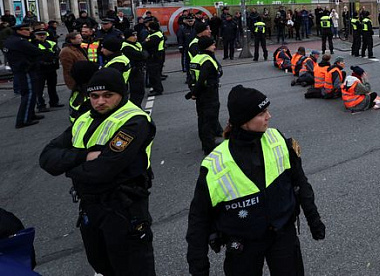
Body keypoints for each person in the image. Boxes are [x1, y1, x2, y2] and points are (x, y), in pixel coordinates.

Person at [186, 85, 325, 276]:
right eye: (261, 113)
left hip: (282, 232)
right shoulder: (216, 163)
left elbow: (299, 181)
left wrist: (313, 218)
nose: (269, 116)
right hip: (244, 244)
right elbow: (199, 217)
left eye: (267, 110)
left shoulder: (276, 139)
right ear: (244, 121)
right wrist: (198, 264)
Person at [39, 68, 157, 276]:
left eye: (107, 95)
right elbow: (46, 158)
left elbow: (102, 170)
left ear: (122, 94)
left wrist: (67, 166)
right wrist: (83, 156)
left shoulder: (134, 120)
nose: (100, 101)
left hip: (123, 207)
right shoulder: (84, 119)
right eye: (94, 96)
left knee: (133, 267)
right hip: (90, 206)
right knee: (101, 263)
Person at [188, 36, 223, 155]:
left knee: (202, 119)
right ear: (207, 46)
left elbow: (191, 77)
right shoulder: (207, 60)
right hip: (209, 93)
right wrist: (194, 93)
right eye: (213, 44)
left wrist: (193, 92)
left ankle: (205, 143)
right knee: (210, 120)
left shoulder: (196, 58)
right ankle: (209, 147)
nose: (215, 46)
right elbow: (202, 79)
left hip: (200, 95)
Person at [5, 23, 44, 128]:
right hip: (26, 69)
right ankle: (24, 119)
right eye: (26, 30)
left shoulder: (11, 40)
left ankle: (30, 114)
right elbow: (37, 51)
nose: (29, 31)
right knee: (29, 94)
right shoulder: (20, 42)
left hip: (20, 69)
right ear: (19, 31)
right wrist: (34, 40)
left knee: (29, 93)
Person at [32, 28, 63, 112]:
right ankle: (41, 105)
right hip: (39, 69)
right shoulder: (33, 44)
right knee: (39, 88)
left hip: (51, 68)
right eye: (39, 35)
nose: (42, 36)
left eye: (43, 34)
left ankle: (54, 102)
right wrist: (41, 62)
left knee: (52, 86)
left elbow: (58, 52)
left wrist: (55, 59)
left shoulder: (51, 43)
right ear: (35, 36)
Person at [122, 30, 146, 107]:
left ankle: (138, 107)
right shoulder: (126, 47)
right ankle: (135, 108)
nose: (135, 37)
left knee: (140, 90)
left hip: (139, 69)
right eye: (133, 36)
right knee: (136, 91)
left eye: (136, 35)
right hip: (133, 71)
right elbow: (140, 55)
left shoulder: (136, 44)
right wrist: (143, 55)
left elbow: (144, 53)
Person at [143, 20, 165, 96]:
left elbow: (146, 44)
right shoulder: (157, 33)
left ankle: (157, 89)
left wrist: (145, 42)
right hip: (157, 55)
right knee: (155, 73)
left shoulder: (154, 36)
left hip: (154, 56)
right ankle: (156, 88)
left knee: (154, 74)